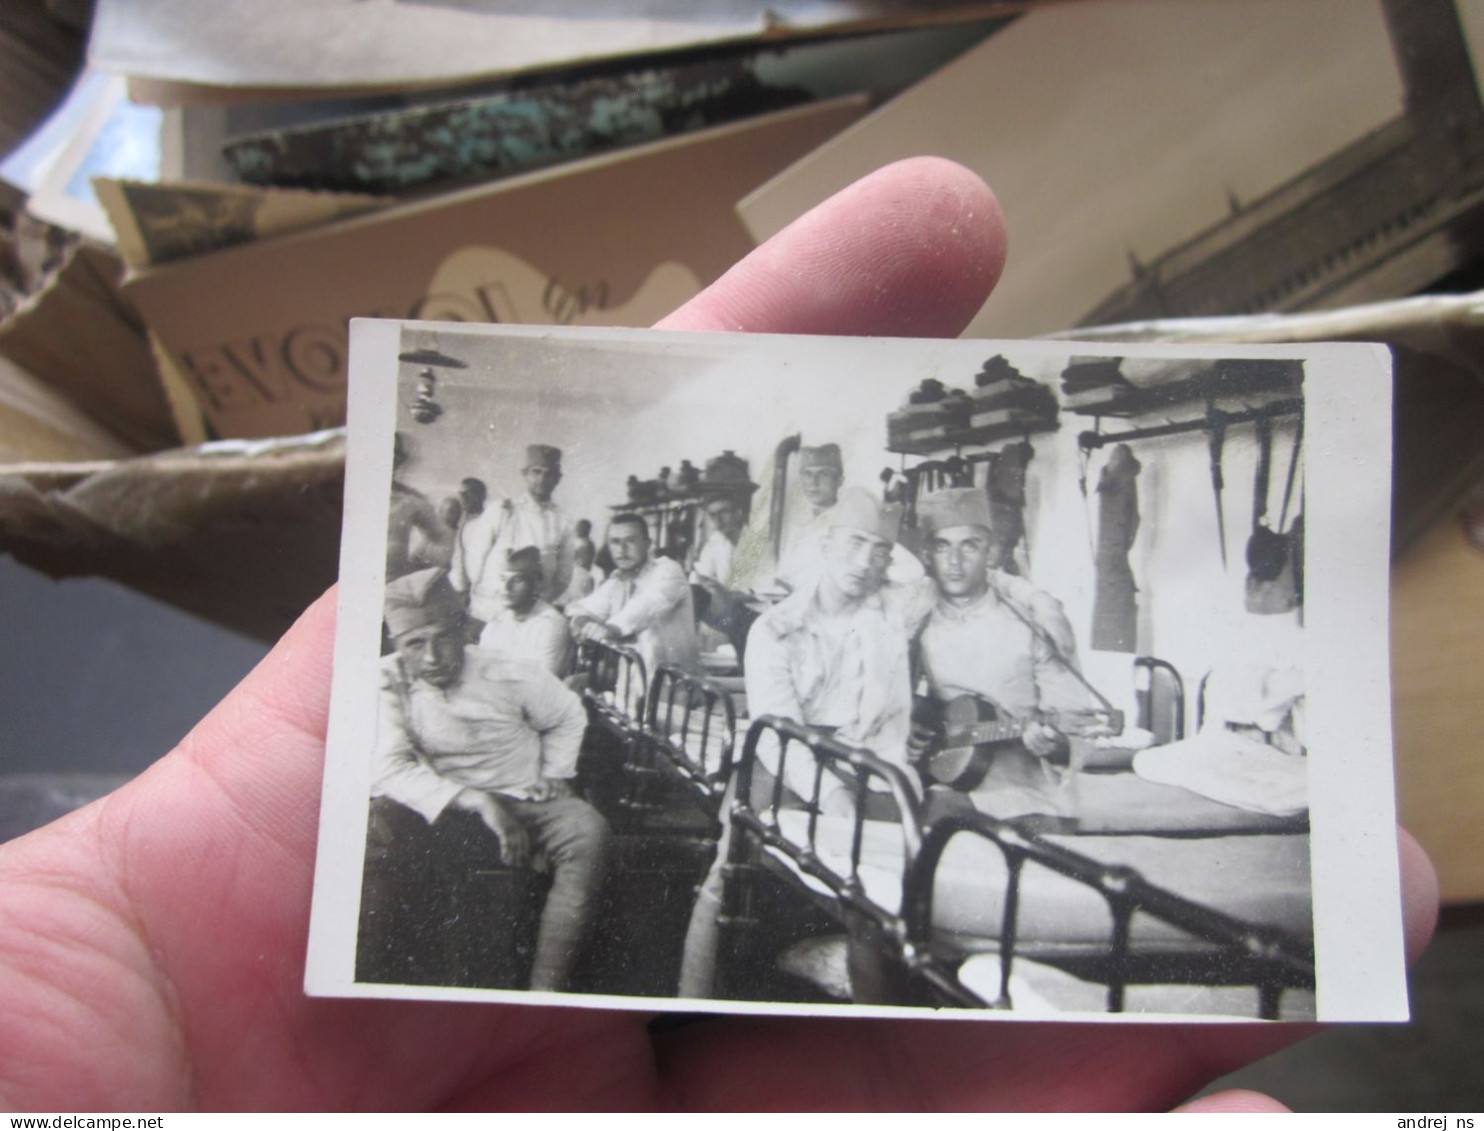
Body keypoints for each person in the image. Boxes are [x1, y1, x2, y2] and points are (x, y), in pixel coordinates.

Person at [0, 158, 1435, 1111]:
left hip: (890, 766)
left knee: (971, 816)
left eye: (903, 546)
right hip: (816, 767)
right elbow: (769, 702)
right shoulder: (729, 618)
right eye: (872, 546)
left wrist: (1003, 725)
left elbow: (879, 696)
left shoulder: (930, 610)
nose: (895, 561)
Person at [678, 488, 933, 998]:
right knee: (727, 875)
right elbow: (778, 734)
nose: (866, 562)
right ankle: (691, 1000)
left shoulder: (887, 618)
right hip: (785, 762)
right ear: (826, 545)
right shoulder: (777, 627)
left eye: (879, 550)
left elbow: (920, 580)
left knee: (897, 882)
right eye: (854, 544)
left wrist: (883, 529)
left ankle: (877, 997)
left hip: (865, 763)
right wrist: (834, 796)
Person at [365, 568, 607, 992]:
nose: (433, 657)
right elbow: (389, 768)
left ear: (463, 631)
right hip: (439, 805)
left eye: (442, 638)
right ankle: (385, 979)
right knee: (374, 830)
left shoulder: (508, 670)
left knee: (589, 834)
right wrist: (477, 801)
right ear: (397, 646)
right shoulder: (388, 679)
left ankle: (546, 989)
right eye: (414, 644)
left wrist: (555, 773)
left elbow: (567, 713)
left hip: (522, 798)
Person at [915, 487, 1095, 764]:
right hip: (939, 766)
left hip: (1019, 776)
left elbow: (1076, 723)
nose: (954, 561)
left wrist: (1054, 744)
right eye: (942, 546)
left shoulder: (1032, 625)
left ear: (991, 553)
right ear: (927, 556)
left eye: (970, 545)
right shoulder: (916, 614)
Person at [567, 513, 699, 677]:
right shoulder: (617, 581)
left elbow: (647, 605)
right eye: (615, 542)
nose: (621, 550)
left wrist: (610, 629)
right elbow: (579, 608)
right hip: (631, 687)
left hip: (672, 690)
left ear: (648, 544)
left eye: (630, 540)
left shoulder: (668, 570)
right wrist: (583, 622)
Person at [452, 444, 576, 618]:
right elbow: (475, 558)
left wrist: (540, 601)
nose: (542, 479)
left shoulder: (562, 521)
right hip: (490, 608)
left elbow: (564, 575)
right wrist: (483, 593)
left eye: (549, 474)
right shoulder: (502, 510)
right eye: (536, 472)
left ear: (558, 479)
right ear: (525, 474)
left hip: (532, 612)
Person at [475, 545, 573, 678]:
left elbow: (541, 684)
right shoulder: (497, 621)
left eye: (517, 580)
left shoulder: (552, 625)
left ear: (536, 585)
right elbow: (479, 670)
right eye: (503, 579)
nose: (506, 587)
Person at [386, 431, 454, 579]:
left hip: (393, 586)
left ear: (399, 461)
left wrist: (420, 570)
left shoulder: (410, 499)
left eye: (394, 454)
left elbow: (443, 536)